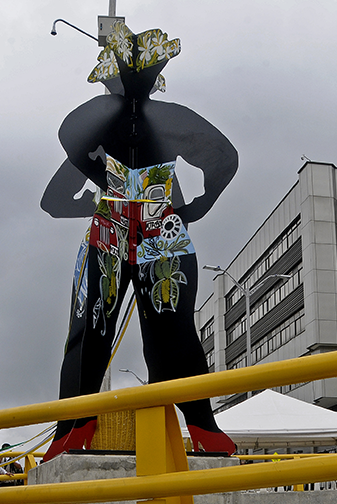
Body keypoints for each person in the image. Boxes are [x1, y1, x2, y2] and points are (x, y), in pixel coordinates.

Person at [40, 22, 238, 461]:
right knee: (161, 334)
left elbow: (54, 200)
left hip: (121, 229)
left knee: (108, 331)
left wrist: (101, 199)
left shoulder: (101, 123)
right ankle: (200, 426)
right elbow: (223, 158)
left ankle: (76, 428)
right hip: (154, 227)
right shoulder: (165, 119)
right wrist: (195, 205)